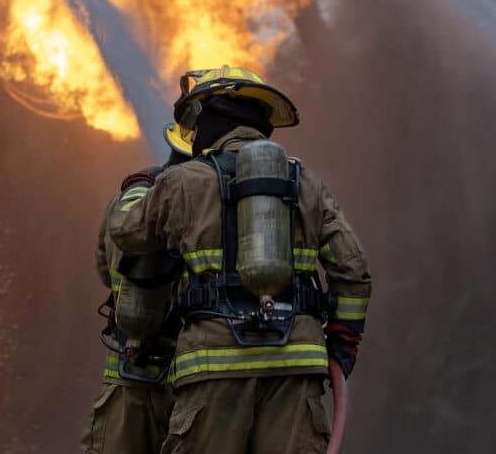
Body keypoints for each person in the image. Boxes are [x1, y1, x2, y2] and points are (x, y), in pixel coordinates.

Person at [110, 66, 371, 454]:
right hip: (296, 364)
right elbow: (353, 271)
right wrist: (342, 344)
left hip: (212, 366)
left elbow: (126, 232)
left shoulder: (182, 182)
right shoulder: (306, 184)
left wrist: (138, 188)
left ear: (213, 120)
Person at [80, 123, 191, 453]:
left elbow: (105, 269)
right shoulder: (213, 204)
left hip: (130, 374)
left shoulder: (127, 200)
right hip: (194, 383)